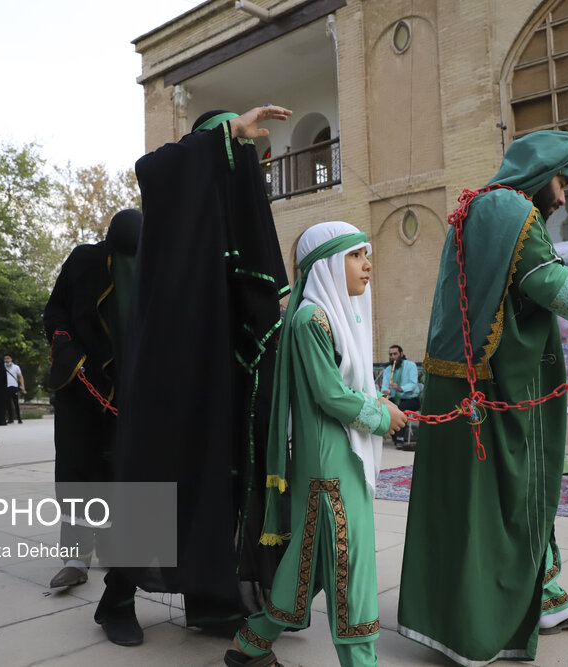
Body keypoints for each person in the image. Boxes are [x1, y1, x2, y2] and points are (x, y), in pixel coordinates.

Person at [398, 130, 568, 665]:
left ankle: (546, 597)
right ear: (540, 172)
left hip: (472, 382)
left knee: (509, 495)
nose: (564, 196)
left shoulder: (482, 209)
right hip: (493, 390)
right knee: (507, 496)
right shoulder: (508, 209)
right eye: (562, 181)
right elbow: (548, 282)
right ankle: (484, 621)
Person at [98, 105, 292, 646]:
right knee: (154, 476)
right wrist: (225, 132)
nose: (238, 163)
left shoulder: (224, 228)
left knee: (217, 479)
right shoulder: (172, 209)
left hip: (221, 367)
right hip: (170, 367)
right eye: (231, 148)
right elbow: (151, 169)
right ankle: (116, 597)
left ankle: (211, 601)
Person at [225, 221, 406, 667]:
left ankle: (252, 643)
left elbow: (343, 386)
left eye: (366, 254)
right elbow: (329, 395)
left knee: (311, 564)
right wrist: (382, 415)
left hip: (338, 459)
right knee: (351, 566)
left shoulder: (337, 316)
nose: (368, 264)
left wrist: (375, 401)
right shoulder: (311, 318)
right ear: (326, 264)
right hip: (330, 466)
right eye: (356, 255)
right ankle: (361, 661)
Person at [43, 208, 143, 591]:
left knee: (125, 473)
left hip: (133, 389)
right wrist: (68, 349)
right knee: (78, 471)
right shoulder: (84, 261)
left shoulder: (155, 267)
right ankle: (75, 559)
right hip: (80, 386)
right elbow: (55, 313)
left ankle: (119, 551)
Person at [380, 344, 420, 450]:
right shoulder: (388, 369)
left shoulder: (411, 366)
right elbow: (384, 385)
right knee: (387, 408)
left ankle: (400, 438)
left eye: (395, 354)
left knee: (401, 408)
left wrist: (400, 388)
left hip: (410, 398)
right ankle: (394, 436)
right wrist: (384, 391)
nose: (393, 357)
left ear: (401, 354)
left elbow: (413, 384)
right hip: (394, 398)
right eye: (391, 354)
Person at [2, 354, 25, 423]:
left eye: (8, 358)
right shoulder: (3, 367)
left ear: (11, 359)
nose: (6, 360)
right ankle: (10, 418)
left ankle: (19, 418)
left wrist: (22, 385)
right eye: (5, 358)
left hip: (14, 386)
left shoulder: (16, 367)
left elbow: (20, 376)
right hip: (6, 387)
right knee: (8, 404)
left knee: (16, 403)